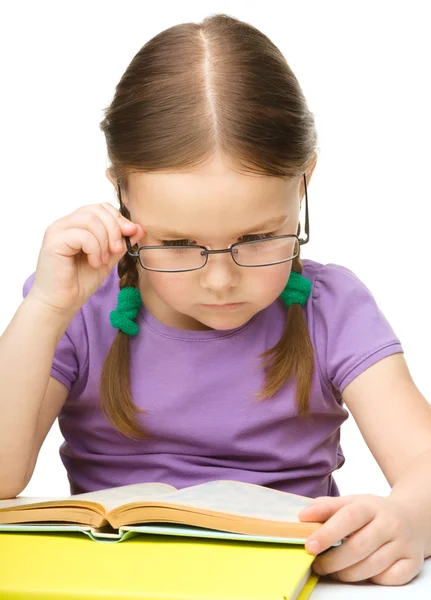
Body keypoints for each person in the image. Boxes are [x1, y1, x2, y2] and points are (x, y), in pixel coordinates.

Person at [0, 12, 430, 587]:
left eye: (256, 238)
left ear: (305, 182)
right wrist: (46, 309)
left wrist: (410, 517)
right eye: (178, 243)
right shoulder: (75, 307)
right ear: (121, 195)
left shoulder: (332, 309)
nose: (222, 281)